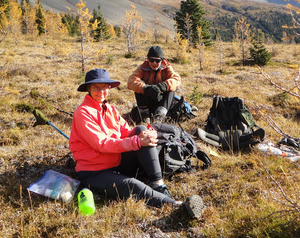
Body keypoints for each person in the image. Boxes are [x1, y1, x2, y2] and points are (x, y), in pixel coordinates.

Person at [69, 68, 203, 218]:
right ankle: (175, 205)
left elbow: (126, 131)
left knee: (140, 129)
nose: (101, 91)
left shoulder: (109, 108)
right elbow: (102, 144)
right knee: (131, 184)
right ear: (88, 89)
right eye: (96, 87)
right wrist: (137, 142)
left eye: (105, 87)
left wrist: (145, 133)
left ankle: (158, 184)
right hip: (95, 171)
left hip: (116, 161)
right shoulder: (83, 112)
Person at [128, 46, 181, 123]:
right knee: (139, 87)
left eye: (157, 60)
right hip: (147, 100)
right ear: (147, 59)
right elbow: (131, 81)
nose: (154, 63)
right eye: (151, 60)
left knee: (171, 90)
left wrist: (162, 86)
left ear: (162, 60)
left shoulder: (167, 68)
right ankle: (144, 116)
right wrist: (146, 88)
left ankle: (159, 117)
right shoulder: (142, 68)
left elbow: (176, 79)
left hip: (162, 101)